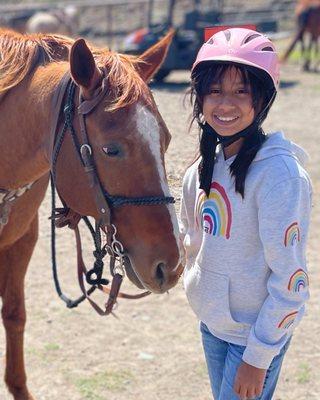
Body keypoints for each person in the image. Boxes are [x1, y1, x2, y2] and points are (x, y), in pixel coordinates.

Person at [180, 27, 312, 400]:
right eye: (215, 90)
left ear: (262, 100)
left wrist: (258, 357)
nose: (225, 104)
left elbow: (291, 283)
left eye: (242, 92)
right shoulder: (202, 168)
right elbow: (187, 237)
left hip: (254, 337)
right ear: (201, 96)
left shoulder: (279, 177)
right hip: (213, 326)